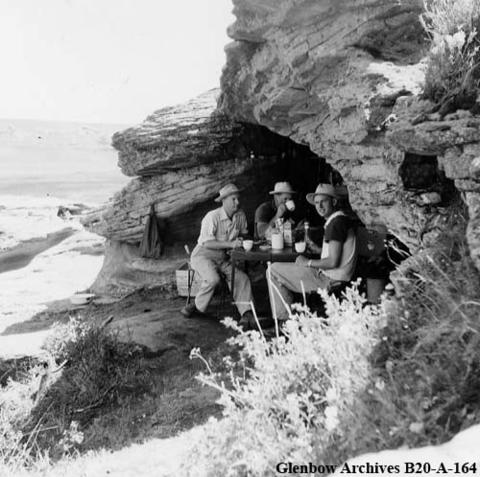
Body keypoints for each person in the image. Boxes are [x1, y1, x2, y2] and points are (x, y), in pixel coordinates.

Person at [267, 183, 357, 322]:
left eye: (323, 202)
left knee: (273, 270)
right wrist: (318, 251)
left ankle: (285, 322)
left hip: (330, 280)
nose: (319, 207)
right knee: (280, 267)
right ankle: (291, 316)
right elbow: (337, 252)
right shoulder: (340, 219)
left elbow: (333, 261)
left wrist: (307, 262)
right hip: (333, 275)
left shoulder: (336, 223)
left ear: (333, 201)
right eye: (316, 203)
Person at [181, 183, 256, 329]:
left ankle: (246, 314)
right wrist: (231, 244)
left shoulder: (240, 216)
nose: (237, 202)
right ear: (224, 200)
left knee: (242, 278)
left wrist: (244, 239)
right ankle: (196, 305)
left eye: (238, 199)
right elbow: (207, 243)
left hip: (223, 258)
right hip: (203, 255)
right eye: (234, 199)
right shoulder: (212, 217)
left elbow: (244, 233)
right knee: (213, 279)